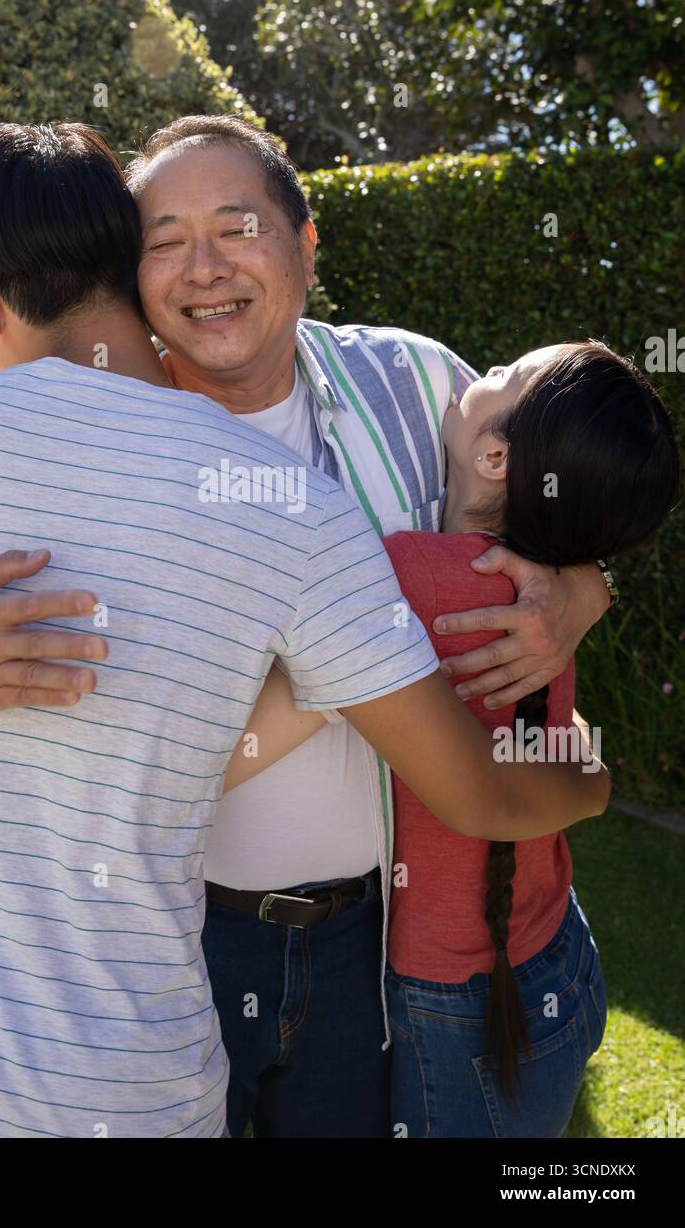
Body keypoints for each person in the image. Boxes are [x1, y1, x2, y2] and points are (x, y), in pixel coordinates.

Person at [0, 116, 615, 1139]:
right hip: (182, 946)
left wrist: (582, 584)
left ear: (306, 243)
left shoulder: (417, 386)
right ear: (127, 269)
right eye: (163, 239)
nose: (204, 269)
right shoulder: (180, 476)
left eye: (238, 227)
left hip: (360, 934)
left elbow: (572, 473)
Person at [226, 340, 680, 1137]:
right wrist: (592, 581)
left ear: (497, 456)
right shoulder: (545, 569)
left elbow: (233, 730)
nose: (479, 374)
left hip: (453, 988)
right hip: (547, 942)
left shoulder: (408, 571)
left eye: (501, 376)